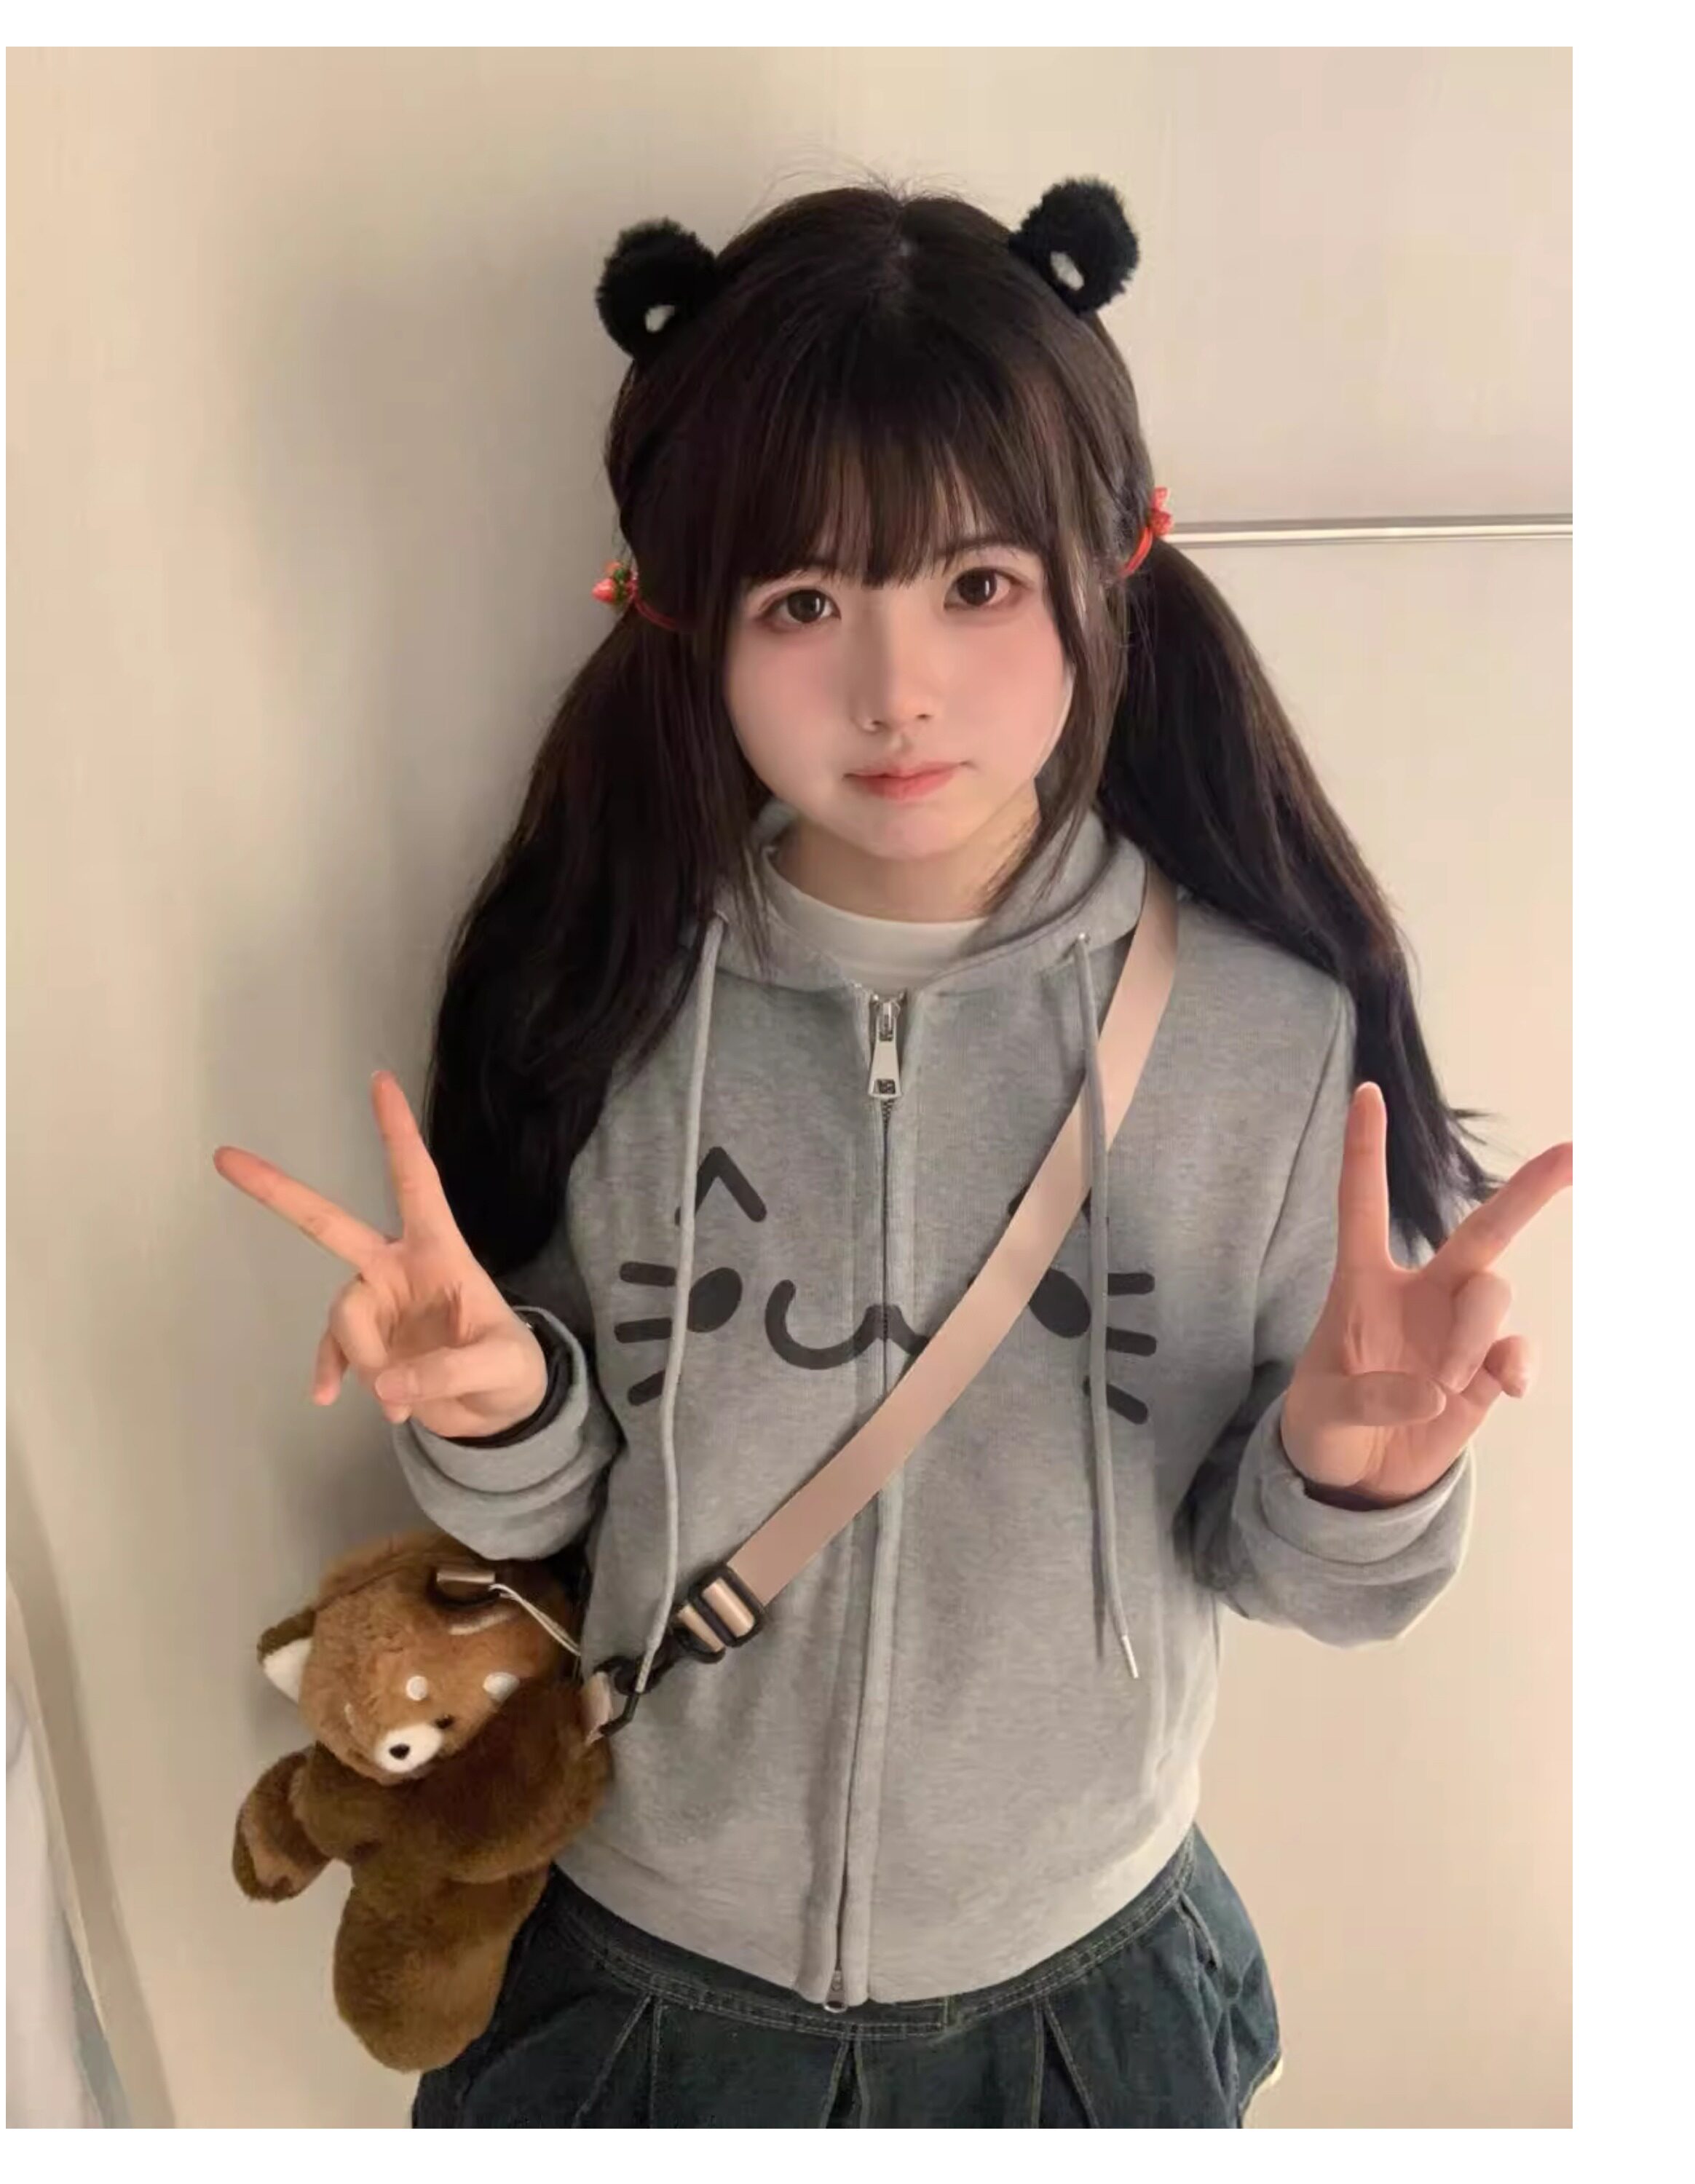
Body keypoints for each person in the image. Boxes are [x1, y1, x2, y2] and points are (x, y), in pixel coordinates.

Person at [214, 173, 1571, 2127]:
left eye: (978, 586)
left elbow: (1302, 1576)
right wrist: (503, 1407)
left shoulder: (1268, 1038)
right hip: (636, 1980)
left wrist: (1359, 1472)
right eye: (803, 603)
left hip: (1079, 2002)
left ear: (1111, 566)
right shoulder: (599, 988)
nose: (894, 688)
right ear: (685, 619)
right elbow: (550, 1519)